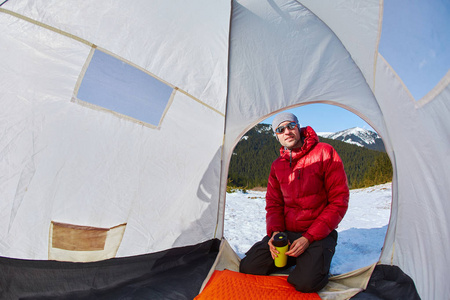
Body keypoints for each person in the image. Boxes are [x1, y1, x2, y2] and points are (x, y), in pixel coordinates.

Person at [239, 112, 349, 293]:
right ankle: (300, 258)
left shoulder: (325, 152)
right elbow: (274, 204)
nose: (287, 132)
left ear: (298, 127)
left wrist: (309, 238)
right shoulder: (277, 166)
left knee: (305, 283)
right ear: (277, 136)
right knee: (249, 267)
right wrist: (275, 233)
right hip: (287, 233)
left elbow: (339, 201)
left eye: (291, 126)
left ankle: (313, 259)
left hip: (318, 234)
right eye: (280, 129)